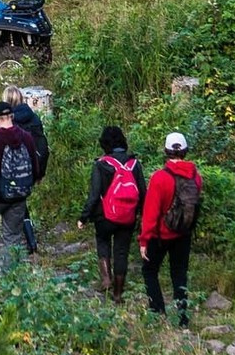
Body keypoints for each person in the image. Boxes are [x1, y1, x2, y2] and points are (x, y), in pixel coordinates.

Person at [138, 131, 203, 325]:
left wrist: (144, 240)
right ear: (185, 151)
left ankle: (157, 312)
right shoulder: (196, 177)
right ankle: (182, 317)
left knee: (149, 271)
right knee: (179, 273)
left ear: (166, 151)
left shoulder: (160, 178)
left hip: (161, 235)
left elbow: (151, 212)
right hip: (183, 233)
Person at [0, 100, 42, 272]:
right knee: (12, 236)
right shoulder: (27, 137)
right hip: (20, 195)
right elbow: (35, 167)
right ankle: (9, 275)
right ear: (12, 117)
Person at [80, 124, 141, 301]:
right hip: (127, 216)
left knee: (103, 241)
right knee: (122, 251)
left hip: (104, 216)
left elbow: (94, 194)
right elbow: (142, 192)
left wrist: (84, 217)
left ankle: (106, 278)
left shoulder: (101, 164)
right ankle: (118, 293)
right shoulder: (134, 164)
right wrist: (141, 214)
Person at [3, 84, 50, 253]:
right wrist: (40, 173)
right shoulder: (35, 118)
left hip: (18, 168)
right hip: (36, 166)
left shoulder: (10, 123)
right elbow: (42, 145)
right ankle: (29, 239)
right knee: (20, 202)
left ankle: (28, 241)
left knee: (16, 203)